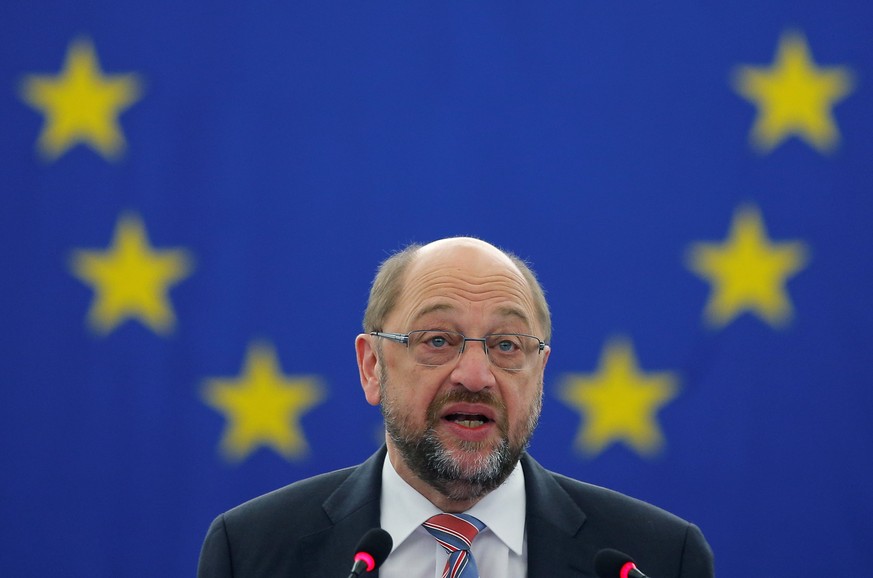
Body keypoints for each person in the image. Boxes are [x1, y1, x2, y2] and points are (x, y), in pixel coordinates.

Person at [197, 237, 715, 577]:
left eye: (508, 345)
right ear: (372, 366)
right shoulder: (251, 553)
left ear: (539, 374)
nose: (475, 375)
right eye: (438, 340)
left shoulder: (659, 560)